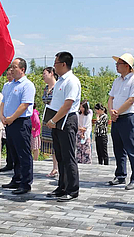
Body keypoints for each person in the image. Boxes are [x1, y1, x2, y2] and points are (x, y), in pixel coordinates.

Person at [46, 51, 81, 202]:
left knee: (68, 156)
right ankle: (62, 186)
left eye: (56, 64)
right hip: (57, 120)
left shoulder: (71, 81)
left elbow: (68, 104)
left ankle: (72, 189)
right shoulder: (60, 81)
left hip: (67, 120)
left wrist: (53, 120)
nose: (54, 67)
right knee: (60, 156)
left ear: (64, 64)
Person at [0, 58, 36, 195]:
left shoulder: (27, 85)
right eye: (11, 67)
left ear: (23, 69)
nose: (11, 69)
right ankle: (17, 178)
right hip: (8, 122)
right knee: (13, 152)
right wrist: (2, 116)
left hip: (20, 122)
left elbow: (24, 105)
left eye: (14, 67)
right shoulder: (8, 85)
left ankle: (26, 183)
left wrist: (11, 118)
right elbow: (3, 102)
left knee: (24, 153)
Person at [107, 53, 134, 191]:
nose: (116, 66)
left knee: (132, 149)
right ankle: (120, 174)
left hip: (128, 118)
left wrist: (117, 112)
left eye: (119, 63)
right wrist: (111, 111)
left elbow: (131, 100)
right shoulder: (117, 81)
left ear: (127, 66)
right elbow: (111, 97)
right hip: (116, 118)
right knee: (118, 148)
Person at [42, 67, 60, 177]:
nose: (43, 76)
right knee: (51, 144)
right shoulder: (46, 88)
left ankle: (57, 167)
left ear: (52, 73)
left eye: (45, 74)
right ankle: (55, 167)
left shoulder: (58, 86)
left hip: (56, 116)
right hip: (47, 115)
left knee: (56, 142)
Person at [0, 68, 15, 172]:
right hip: (5, 118)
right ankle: (9, 163)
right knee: (8, 142)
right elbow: (3, 100)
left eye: (11, 74)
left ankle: (15, 163)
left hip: (14, 118)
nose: (9, 76)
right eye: (7, 75)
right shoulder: (6, 86)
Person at [76, 100, 92, 164]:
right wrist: (80, 129)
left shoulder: (88, 115)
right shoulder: (78, 115)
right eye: (80, 107)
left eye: (83, 107)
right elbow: (77, 124)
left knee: (86, 147)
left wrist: (83, 133)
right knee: (79, 147)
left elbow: (87, 126)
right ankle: (79, 159)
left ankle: (86, 161)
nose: (81, 109)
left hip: (86, 133)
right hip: (79, 132)